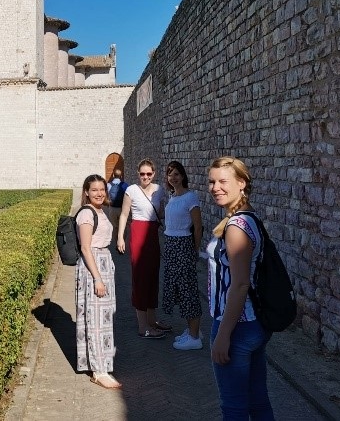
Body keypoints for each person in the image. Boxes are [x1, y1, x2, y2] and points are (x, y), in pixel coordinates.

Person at [207, 156, 274, 419]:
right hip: (253, 322)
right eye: (212, 182)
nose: (215, 188)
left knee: (234, 406)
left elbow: (240, 284)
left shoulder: (236, 227)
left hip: (236, 324)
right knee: (257, 401)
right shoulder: (248, 218)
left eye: (223, 181)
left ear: (241, 183)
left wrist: (223, 335)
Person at [74, 174, 121, 389]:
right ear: (86, 192)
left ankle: (101, 363)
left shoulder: (100, 210)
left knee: (103, 318)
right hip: (93, 267)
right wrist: (97, 278)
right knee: (95, 320)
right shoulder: (86, 213)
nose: (99, 193)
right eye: (94, 190)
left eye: (102, 189)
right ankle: (99, 370)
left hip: (103, 263)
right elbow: (85, 248)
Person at [116, 158, 170, 338]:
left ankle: (152, 321)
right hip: (138, 234)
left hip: (152, 234)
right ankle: (143, 326)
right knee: (140, 278)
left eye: (149, 173)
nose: (145, 177)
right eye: (142, 174)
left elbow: (160, 213)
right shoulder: (131, 190)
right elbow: (124, 215)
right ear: (138, 174)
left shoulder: (159, 190)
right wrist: (120, 237)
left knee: (153, 277)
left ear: (154, 174)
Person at [162, 160, 204, 350]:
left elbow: (198, 227)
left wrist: (195, 250)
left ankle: (194, 337)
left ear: (183, 176)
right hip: (171, 246)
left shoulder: (190, 197)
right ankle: (193, 330)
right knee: (179, 290)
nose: (173, 178)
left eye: (177, 174)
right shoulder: (172, 196)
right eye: (170, 174)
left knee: (188, 290)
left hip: (183, 246)